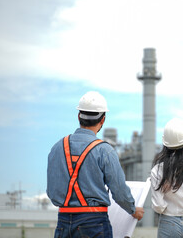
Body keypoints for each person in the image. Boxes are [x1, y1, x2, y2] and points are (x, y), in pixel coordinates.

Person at [47, 91, 144, 238]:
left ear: (79, 116)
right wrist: (132, 209)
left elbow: (52, 191)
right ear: (102, 120)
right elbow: (119, 191)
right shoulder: (104, 151)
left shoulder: (57, 148)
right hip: (93, 224)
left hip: (64, 222)